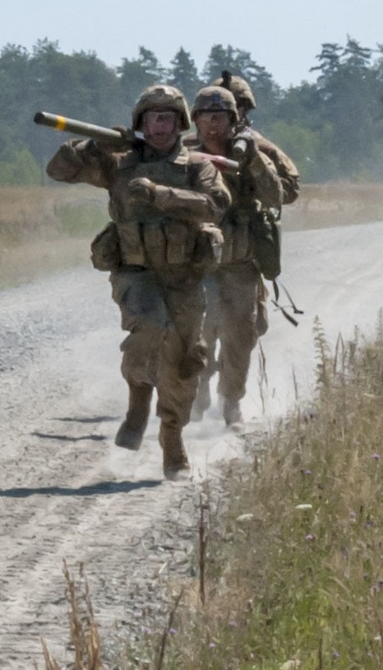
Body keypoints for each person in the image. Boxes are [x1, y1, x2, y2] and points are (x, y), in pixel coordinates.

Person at [46, 85, 230, 480]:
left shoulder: (197, 166)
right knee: (148, 324)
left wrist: (160, 195)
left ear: (179, 123)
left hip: (183, 277)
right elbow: (58, 171)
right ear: (140, 123)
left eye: (167, 118)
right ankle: (137, 402)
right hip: (135, 273)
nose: (159, 125)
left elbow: (215, 204)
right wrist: (93, 148)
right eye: (152, 118)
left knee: (184, 361)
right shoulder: (119, 163)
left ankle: (172, 437)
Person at [187, 85, 283, 429]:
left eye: (221, 117)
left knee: (239, 338)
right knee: (198, 335)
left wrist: (254, 159)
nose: (213, 124)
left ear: (233, 120)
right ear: (195, 121)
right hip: (198, 265)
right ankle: (198, 391)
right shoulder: (183, 156)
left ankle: (231, 403)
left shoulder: (249, 154)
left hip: (240, 266)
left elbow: (276, 197)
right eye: (206, 117)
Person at [211, 71, 301, 205]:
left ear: (244, 112)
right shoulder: (190, 145)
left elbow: (290, 190)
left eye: (233, 110)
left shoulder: (260, 147)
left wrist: (257, 172)